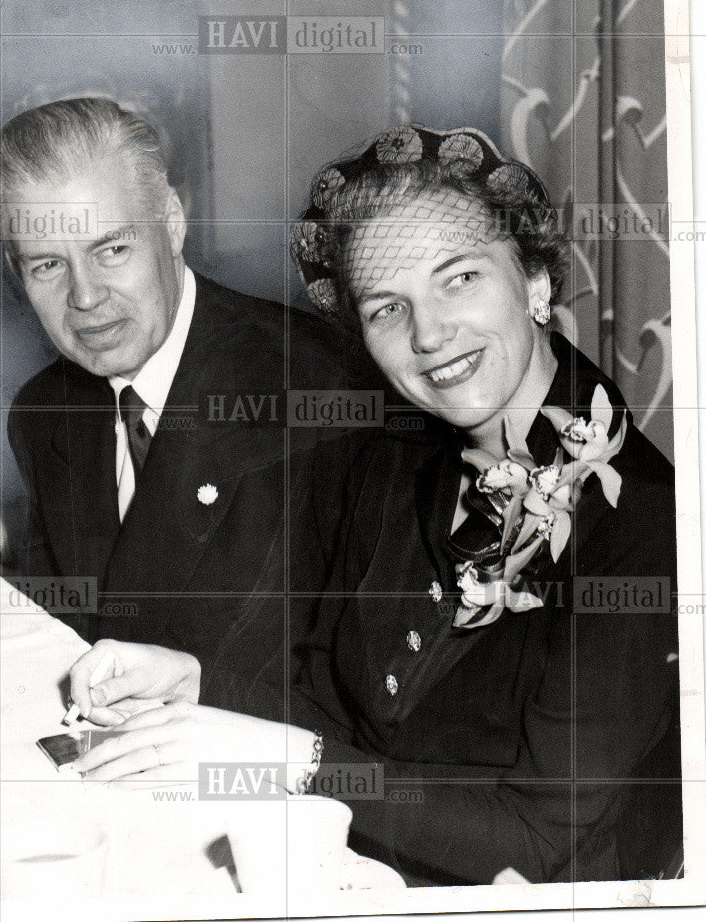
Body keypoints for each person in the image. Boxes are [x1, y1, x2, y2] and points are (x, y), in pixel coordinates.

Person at [65, 125, 681, 885]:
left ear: (535, 282)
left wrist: (297, 762)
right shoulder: (396, 448)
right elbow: (334, 700)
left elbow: (534, 838)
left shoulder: (647, 526)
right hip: (358, 860)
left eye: (460, 279)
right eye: (388, 308)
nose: (429, 335)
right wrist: (196, 681)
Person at [0, 96, 371, 703]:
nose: (85, 298)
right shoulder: (43, 414)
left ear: (171, 221)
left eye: (112, 249)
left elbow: (359, 690)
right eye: (47, 265)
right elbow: (71, 633)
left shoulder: (322, 389)